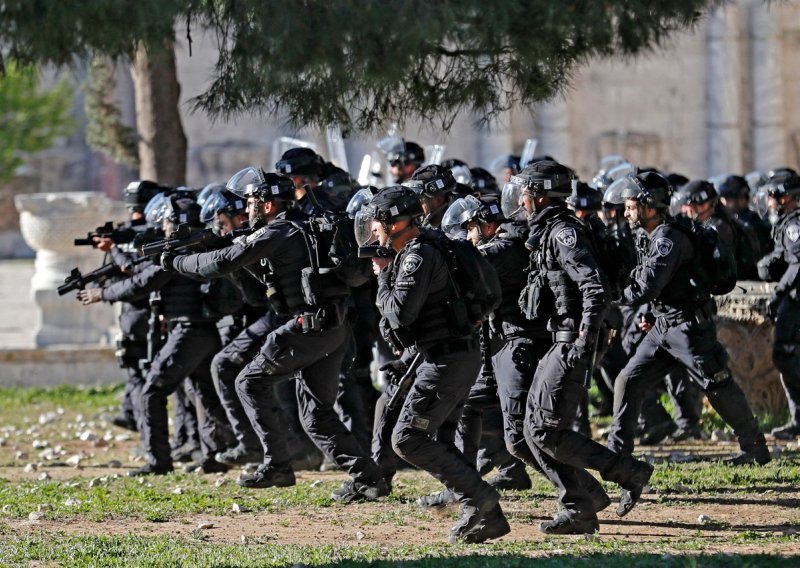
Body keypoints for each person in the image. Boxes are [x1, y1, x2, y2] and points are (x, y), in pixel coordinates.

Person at [162, 168, 388, 500]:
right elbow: (255, 293)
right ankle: (368, 478)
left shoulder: (279, 231)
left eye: (252, 201)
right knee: (316, 414)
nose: (247, 207)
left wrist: (177, 262)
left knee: (248, 381)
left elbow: (221, 262)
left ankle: (277, 465)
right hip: (332, 327)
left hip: (311, 326)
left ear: (268, 204)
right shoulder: (299, 227)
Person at [507, 160, 654, 535]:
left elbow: (594, 288)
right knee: (530, 430)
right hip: (561, 337)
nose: (521, 200)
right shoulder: (548, 230)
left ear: (539, 195)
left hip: (573, 339)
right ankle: (580, 507)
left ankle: (626, 473)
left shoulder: (563, 233)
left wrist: (583, 343)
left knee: (544, 431)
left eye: (525, 192)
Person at [360, 185, 510, 543]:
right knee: (441, 436)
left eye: (377, 223)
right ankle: (481, 509)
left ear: (394, 223)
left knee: (408, 438)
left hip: (448, 358)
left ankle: (481, 499)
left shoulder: (418, 255)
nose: (373, 231)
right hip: (448, 354)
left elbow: (398, 313)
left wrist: (382, 274)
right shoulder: (425, 247)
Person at [604, 171, 771, 466]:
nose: (626, 213)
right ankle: (617, 453)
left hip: (688, 328)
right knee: (628, 379)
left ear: (649, 206)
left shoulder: (669, 239)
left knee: (717, 386)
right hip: (663, 326)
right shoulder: (650, 235)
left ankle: (754, 447)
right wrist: (650, 314)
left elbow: (646, 287)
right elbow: (655, 288)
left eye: (631, 206)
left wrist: (607, 295)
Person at [79, 194, 235, 476]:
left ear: (175, 223)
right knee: (204, 393)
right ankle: (215, 455)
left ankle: (159, 461)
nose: (161, 225)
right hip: (204, 331)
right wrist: (115, 252)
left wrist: (100, 293)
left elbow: (141, 283)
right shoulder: (197, 245)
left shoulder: (178, 251)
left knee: (151, 391)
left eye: (166, 221)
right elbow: (139, 269)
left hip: (187, 332)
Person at [759, 174, 800, 440]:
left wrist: (778, 292)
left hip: (796, 300)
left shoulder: (795, 224)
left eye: (774, 198)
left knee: (785, 354)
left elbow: (798, 264)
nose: (771, 203)